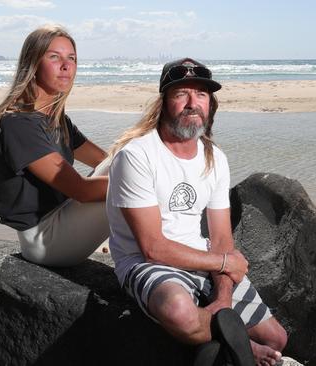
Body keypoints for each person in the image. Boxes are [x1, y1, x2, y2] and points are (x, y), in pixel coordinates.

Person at [106, 58, 287, 365]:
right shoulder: (136, 156)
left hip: (201, 256)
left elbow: (220, 237)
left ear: (211, 105)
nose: (193, 103)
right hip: (144, 262)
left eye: (201, 94)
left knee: (276, 338)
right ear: (164, 102)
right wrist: (225, 262)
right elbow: (153, 247)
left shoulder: (214, 158)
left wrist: (223, 301)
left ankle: (218, 345)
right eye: (181, 94)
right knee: (180, 312)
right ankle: (241, 347)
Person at [0, 25, 110, 267]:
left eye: (71, 58)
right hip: (45, 241)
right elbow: (81, 191)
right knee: (142, 186)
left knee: (128, 160)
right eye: (54, 57)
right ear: (33, 63)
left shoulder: (55, 119)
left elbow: (105, 160)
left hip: (64, 218)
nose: (66, 65)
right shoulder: (17, 123)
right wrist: (147, 182)